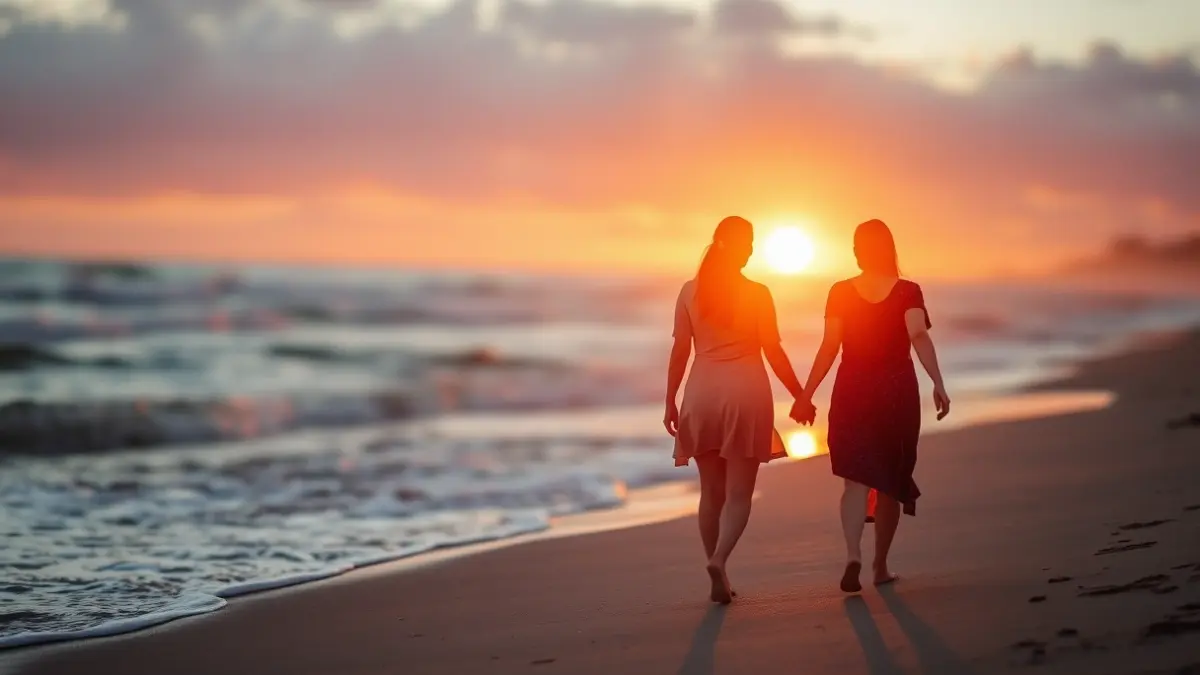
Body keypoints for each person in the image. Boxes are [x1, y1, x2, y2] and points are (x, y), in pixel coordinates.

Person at [664, 215, 815, 604]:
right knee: (739, 493)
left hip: (701, 393)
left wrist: (670, 399)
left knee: (710, 493)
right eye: (747, 243)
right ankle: (719, 560)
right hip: (746, 392)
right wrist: (800, 394)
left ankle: (717, 569)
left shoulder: (690, 291)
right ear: (732, 245)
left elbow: (680, 350)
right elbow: (773, 351)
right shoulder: (757, 293)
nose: (750, 250)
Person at [801, 219, 949, 593]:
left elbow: (829, 346)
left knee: (854, 479)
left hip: (852, 389)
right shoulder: (908, 291)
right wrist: (937, 382)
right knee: (890, 482)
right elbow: (918, 334)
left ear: (857, 251)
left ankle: (853, 553)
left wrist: (806, 393)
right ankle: (880, 566)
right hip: (896, 391)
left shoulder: (840, 291)